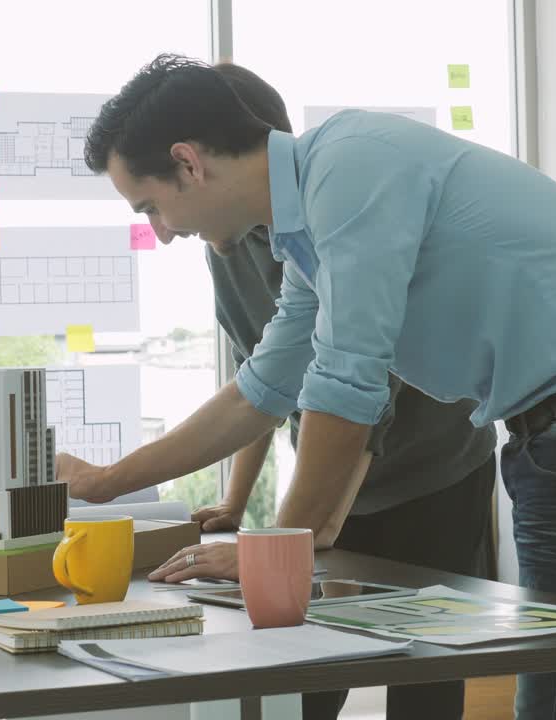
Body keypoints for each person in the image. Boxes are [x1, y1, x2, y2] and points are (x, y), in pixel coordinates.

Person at [60, 54, 556, 720]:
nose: (160, 233)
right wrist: (107, 482)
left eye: (152, 207)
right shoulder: (309, 222)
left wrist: (274, 553)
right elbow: (263, 388)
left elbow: (347, 383)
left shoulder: (351, 166)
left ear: (189, 162)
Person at [189, 62, 497, 720]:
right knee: (308, 663)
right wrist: (233, 504)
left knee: (424, 668)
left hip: (432, 464)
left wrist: (299, 534)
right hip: (336, 459)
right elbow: (260, 379)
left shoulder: (325, 215)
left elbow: (366, 398)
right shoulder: (223, 245)